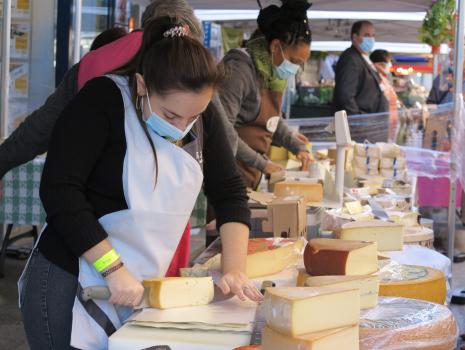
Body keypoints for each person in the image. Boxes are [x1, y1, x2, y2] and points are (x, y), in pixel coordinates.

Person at [19, 17, 261, 350]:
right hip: (71, 280)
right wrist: (112, 268)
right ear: (142, 85)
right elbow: (60, 191)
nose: (183, 126)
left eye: (194, 117)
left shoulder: (204, 117)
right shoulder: (101, 100)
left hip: (137, 286)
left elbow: (230, 192)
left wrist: (235, 269)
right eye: (171, 116)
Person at [218, 0, 313, 189]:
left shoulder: (274, 74)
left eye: (301, 63)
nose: (295, 68)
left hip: (250, 171)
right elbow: (222, 130)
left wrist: (296, 146)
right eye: (294, 61)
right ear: (275, 46)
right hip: (226, 171)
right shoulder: (238, 70)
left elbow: (272, 121)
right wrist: (262, 163)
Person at [332, 20, 388, 115]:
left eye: (373, 35)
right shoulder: (350, 59)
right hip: (360, 122)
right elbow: (345, 95)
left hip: (370, 120)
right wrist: (358, 119)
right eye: (366, 35)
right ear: (354, 37)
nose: (371, 39)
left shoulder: (363, 58)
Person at [370, 49, 399, 141]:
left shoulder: (383, 78)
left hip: (388, 125)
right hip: (381, 126)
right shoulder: (375, 78)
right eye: (389, 62)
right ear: (380, 64)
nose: (390, 65)